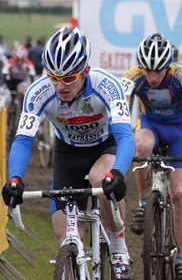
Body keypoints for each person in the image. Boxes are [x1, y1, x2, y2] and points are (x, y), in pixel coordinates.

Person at [1, 27, 135, 280]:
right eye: (54, 77)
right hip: (67, 154)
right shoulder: (40, 91)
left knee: (100, 178)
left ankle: (118, 248)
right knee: (66, 238)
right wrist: (15, 178)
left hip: (104, 148)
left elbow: (125, 137)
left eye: (69, 78)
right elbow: (23, 140)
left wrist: (117, 173)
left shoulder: (106, 85)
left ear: (85, 71)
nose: (60, 86)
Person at [122, 33, 182, 280]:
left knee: (178, 193)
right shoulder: (132, 77)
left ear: (168, 65)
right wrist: (121, 140)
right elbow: (123, 112)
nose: (152, 77)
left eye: (158, 71)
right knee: (141, 145)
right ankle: (144, 203)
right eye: (147, 71)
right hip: (151, 124)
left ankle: (181, 259)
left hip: (179, 130)